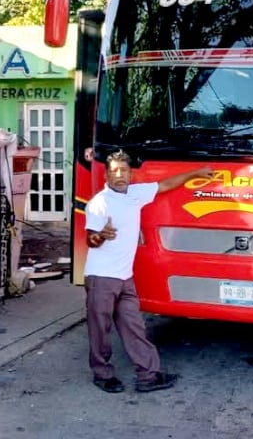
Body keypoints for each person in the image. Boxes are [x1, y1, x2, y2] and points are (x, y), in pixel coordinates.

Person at [83, 150, 212, 394]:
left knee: (134, 327)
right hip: (102, 277)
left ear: (130, 174)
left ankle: (148, 376)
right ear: (106, 176)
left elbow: (165, 185)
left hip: (125, 278)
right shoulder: (99, 203)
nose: (119, 175)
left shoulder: (135, 194)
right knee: (100, 329)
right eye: (113, 171)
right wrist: (102, 235)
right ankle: (102, 374)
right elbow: (90, 240)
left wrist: (196, 172)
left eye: (123, 171)